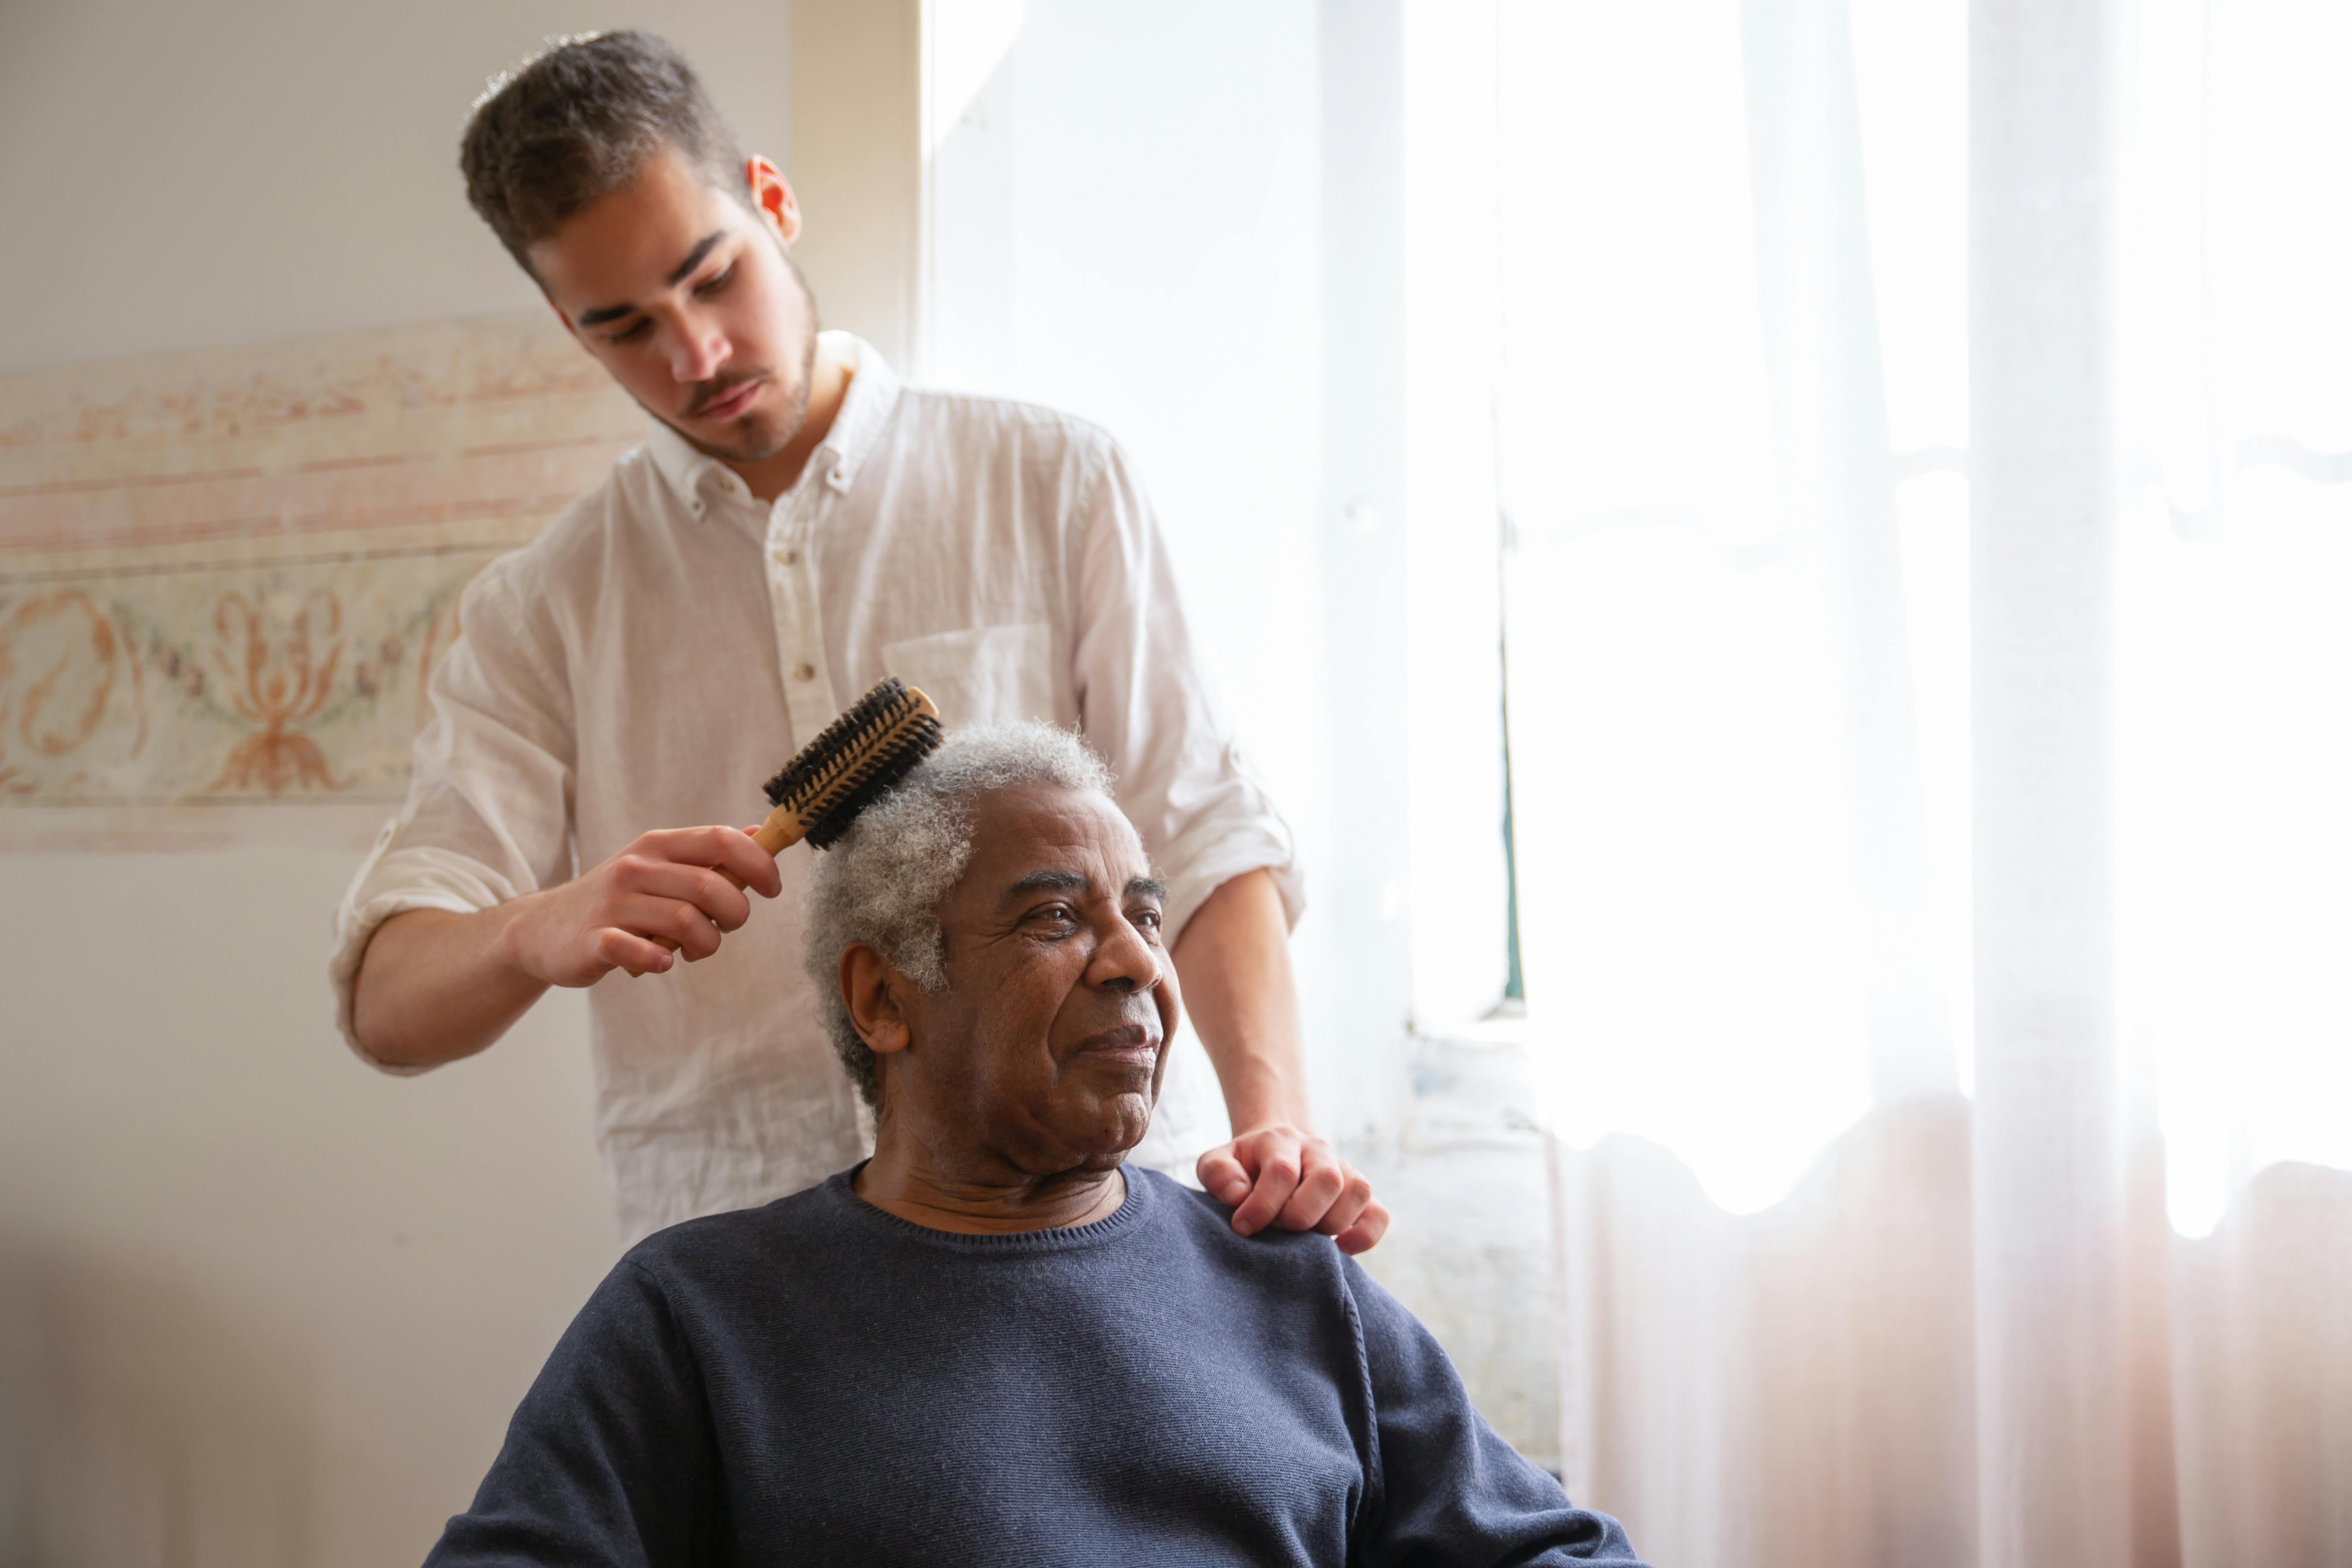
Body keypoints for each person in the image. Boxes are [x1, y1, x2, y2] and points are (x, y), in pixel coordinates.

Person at [330, 31, 1382, 1250]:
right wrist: (534, 926)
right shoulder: (543, 607)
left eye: (712, 277)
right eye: (623, 326)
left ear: (771, 202)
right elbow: (387, 1006)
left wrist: (1279, 1127)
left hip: (1088, 1225)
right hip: (749, 1280)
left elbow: (1200, 830)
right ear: (572, 330)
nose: (695, 356)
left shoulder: (1055, 482)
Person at [423, 725, 1644, 1567]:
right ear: (884, 998)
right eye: (1057, 916)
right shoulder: (699, 1317)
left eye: (1146, 918)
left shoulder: (1288, 1275)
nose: (1137, 967)